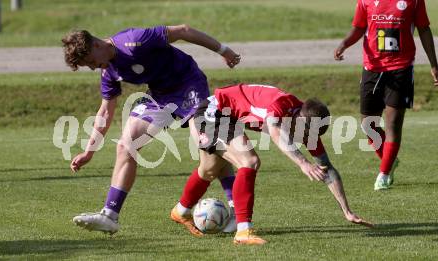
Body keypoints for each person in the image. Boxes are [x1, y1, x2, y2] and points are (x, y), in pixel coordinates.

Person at [61, 24, 241, 234]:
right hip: (160, 96)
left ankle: (237, 212)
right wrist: (89, 152)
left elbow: (183, 30)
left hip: (189, 84)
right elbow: (105, 111)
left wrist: (223, 50)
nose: (93, 67)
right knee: (126, 146)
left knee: (207, 146)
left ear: (97, 45)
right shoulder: (108, 70)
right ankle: (110, 215)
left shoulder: (135, 41)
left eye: (91, 61)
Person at [171, 83, 373, 245]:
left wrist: (347, 211)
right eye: (305, 134)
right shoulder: (279, 104)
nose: (305, 139)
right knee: (249, 161)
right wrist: (303, 163)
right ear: (300, 119)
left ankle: (180, 211)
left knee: (209, 170)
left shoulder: (307, 125)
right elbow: (275, 131)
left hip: (228, 118)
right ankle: (243, 231)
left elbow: (327, 169)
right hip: (213, 112)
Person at [334, 0, 438, 190]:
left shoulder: (413, 1)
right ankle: (389, 160)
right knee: (368, 125)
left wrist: (434, 64)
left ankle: (383, 174)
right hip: (372, 68)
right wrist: (344, 44)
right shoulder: (365, 1)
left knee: (392, 124)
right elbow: (358, 27)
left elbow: (424, 29)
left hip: (401, 68)